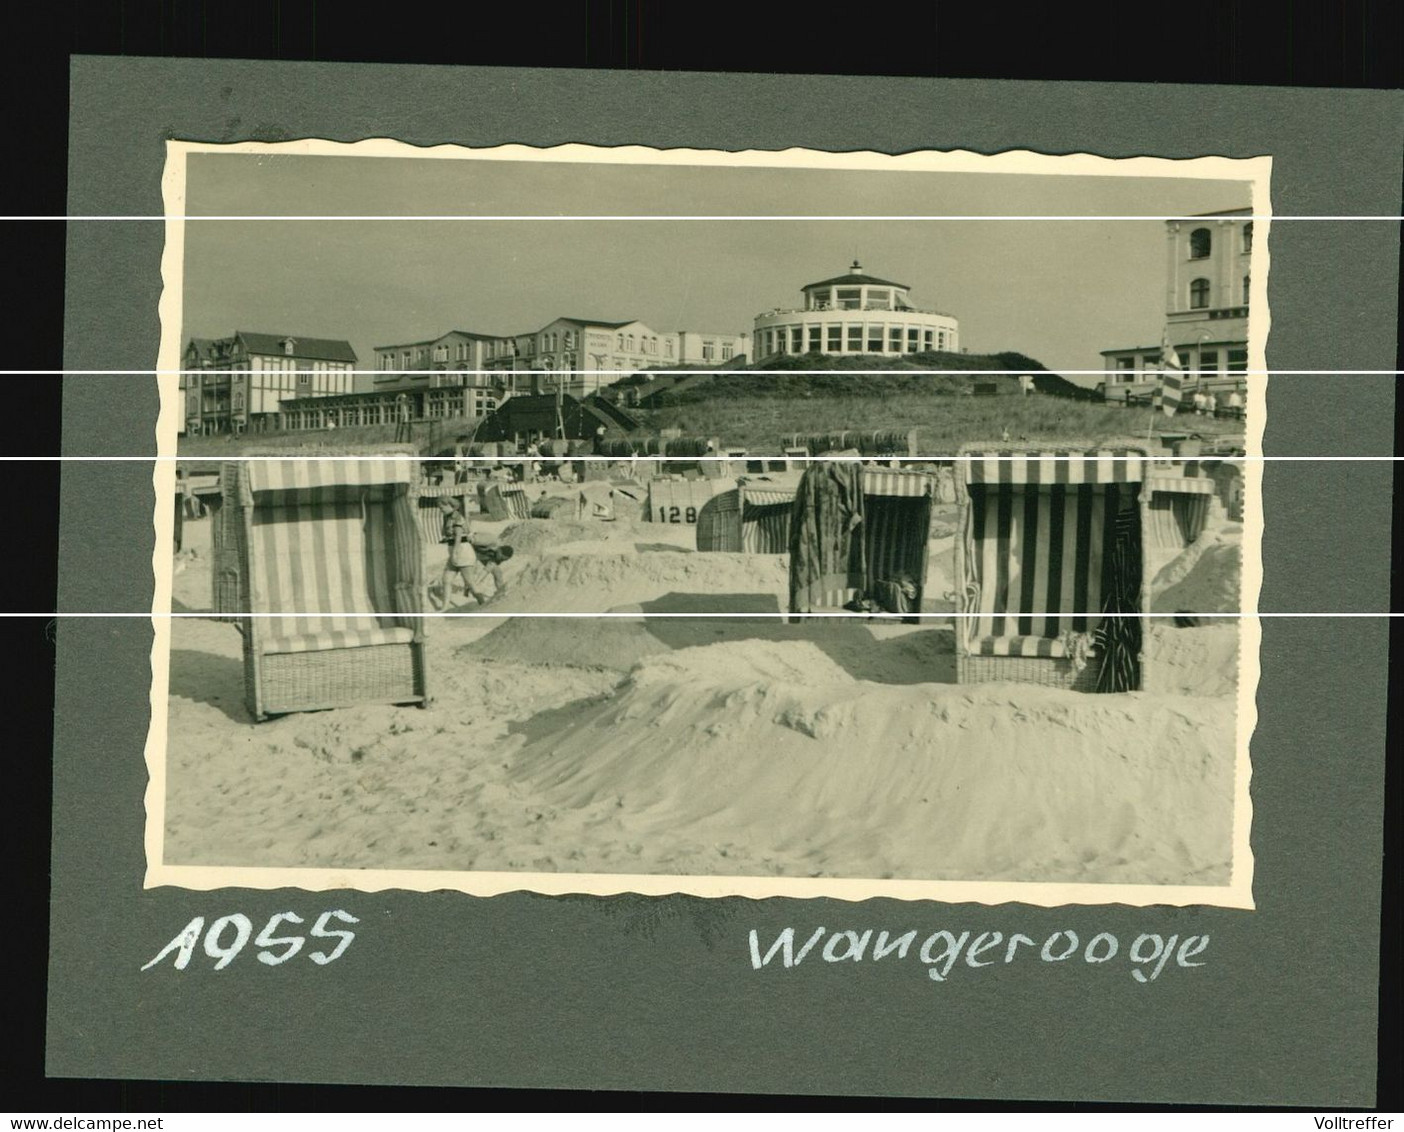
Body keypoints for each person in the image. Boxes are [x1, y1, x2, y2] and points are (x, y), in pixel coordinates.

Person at [430, 497, 508, 608]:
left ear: (450, 505)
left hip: (462, 551)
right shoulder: (447, 517)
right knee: (446, 580)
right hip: (454, 550)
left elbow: (458, 537)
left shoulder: (457, 517)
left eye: (442, 507)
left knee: (470, 583)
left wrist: (455, 553)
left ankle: (483, 605)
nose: (440, 509)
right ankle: (445, 606)